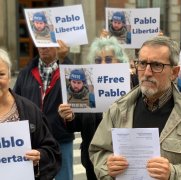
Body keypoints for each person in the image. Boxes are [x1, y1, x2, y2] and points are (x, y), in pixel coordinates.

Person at [89, 36, 181, 180]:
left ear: (174, 72)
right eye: (142, 63)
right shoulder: (117, 110)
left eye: (156, 65)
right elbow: (99, 150)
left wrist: (173, 173)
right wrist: (107, 166)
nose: (147, 72)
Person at [58, 36, 133, 180]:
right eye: (98, 60)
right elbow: (77, 124)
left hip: (125, 161)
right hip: (94, 163)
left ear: (120, 61)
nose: (103, 64)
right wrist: (70, 117)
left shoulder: (132, 84)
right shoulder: (87, 89)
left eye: (109, 59)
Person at [13, 40, 74, 180]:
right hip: (33, 142)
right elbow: (16, 103)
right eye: (40, 43)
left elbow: (79, 86)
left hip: (61, 139)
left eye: (47, 44)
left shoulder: (68, 69)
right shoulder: (26, 72)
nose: (42, 48)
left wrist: (64, 59)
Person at [0, 48, 61, 179]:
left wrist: (39, 156)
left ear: (10, 76)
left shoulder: (30, 110)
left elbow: (52, 151)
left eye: (1, 74)